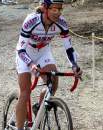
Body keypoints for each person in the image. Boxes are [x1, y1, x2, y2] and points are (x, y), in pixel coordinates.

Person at [15, 0, 82, 130]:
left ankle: (39, 107)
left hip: (43, 52)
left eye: (60, 9)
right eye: (54, 9)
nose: (57, 13)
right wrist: (31, 65)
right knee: (25, 91)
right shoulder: (31, 20)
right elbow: (20, 50)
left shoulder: (61, 23)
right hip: (26, 53)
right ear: (45, 8)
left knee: (53, 83)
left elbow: (69, 48)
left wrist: (74, 65)